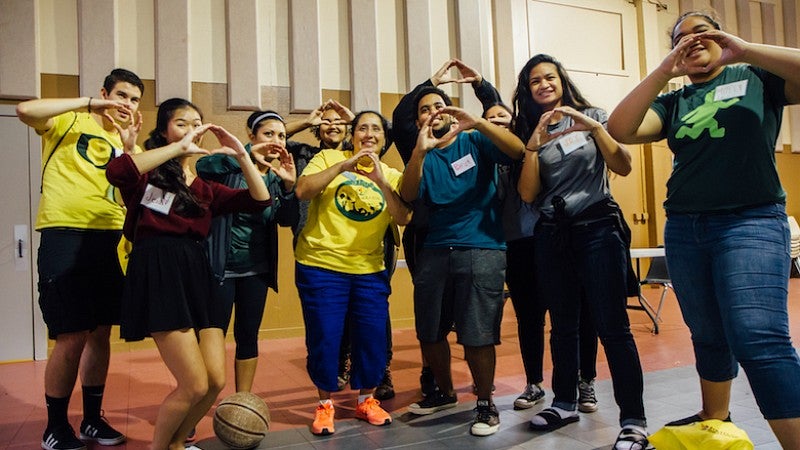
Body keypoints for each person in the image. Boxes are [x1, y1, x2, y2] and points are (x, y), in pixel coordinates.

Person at [607, 11, 800, 448]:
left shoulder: (757, 78)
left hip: (751, 220)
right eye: (681, 38)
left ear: (721, 36)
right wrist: (662, 72)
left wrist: (745, 48)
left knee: (757, 336)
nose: (692, 40)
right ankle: (714, 419)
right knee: (708, 333)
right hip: (686, 228)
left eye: (702, 32)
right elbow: (620, 128)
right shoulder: (673, 102)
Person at [106, 98, 271, 450]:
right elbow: (119, 172)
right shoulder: (148, 173)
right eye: (182, 122)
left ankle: (178, 442)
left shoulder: (206, 187)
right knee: (193, 384)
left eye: (197, 122)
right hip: (159, 271)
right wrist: (172, 149)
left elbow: (260, 199)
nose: (192, 128)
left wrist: (242, 154)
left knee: (214, 381)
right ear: (164, 130)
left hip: (198, 273)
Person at [514, 54, 648, 449]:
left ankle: (634, 420)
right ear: (529, 90)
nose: (542, 84)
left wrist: (592, 126)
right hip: (553, 235)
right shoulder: (531, 130)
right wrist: (534, 146)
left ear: (562, 80)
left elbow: (622, 166)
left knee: (613, 327)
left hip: (598, 229)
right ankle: (564, 402)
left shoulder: (593, 116)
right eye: (534, 81)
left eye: (549, 77)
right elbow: (526, 194)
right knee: (563, 326)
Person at [15, 68, 144, 450]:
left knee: (101, 332)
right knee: (70, 335)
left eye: (135, 100)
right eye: (121, 95)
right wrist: (89, 104)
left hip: (111, 239)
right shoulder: (70, 119)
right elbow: (25, 110)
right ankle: (55, 426)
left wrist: (130, 145)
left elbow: (135, 190)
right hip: (65, 234)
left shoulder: (125, 140)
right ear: (104, 92)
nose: (127, 105)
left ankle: (91, 419)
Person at [398, 72, 525, 436]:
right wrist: (418, 153)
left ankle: (485, 404)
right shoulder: (421, 155)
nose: (434, 111)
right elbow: (407, 195)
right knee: (430, 330)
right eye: (425, 109)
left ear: (451, 111)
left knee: (477, 333)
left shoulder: (475, 140)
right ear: (418, 120)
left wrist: (481, 123)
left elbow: (517, 150)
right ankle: (444, 393)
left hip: (482, 247)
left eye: (439, 104)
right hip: (435, 249)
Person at [479, 77, 600, 413]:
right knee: (529, 317)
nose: (497, 123)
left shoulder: (534, 142)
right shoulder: (485, 157)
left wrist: (480, 83)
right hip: (517, 243)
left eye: (503, 118)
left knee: (578, 314)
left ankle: (584, 381)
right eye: (490, 121)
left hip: (556, 233)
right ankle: (534, 384)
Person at [293, 111, 411, 436]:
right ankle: (325, 406)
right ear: (353, 135)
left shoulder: (392, 173)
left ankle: (366, 400)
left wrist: (381, 182)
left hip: (369, 270)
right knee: (325, 338)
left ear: (384, 140)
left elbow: (402, 217)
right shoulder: (330, 156)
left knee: (371, 338)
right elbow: (303, 190)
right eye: (362, 128)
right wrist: (344, 166)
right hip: (321, 265)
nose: (369, 134)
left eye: (376, 129)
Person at [196, 110, 298, 393]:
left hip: (257, 269)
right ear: (252, 136)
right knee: (212, 333)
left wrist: (290, 186)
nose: (276, 141)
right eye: (268, 134)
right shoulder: (230, 167)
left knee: (248, 335)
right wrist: (246, 154)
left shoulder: (277, 178)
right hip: (220, 267)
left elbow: (287, 220)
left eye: (281, 136)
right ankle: (197, 399)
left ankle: (242, 400)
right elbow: (203, 166)